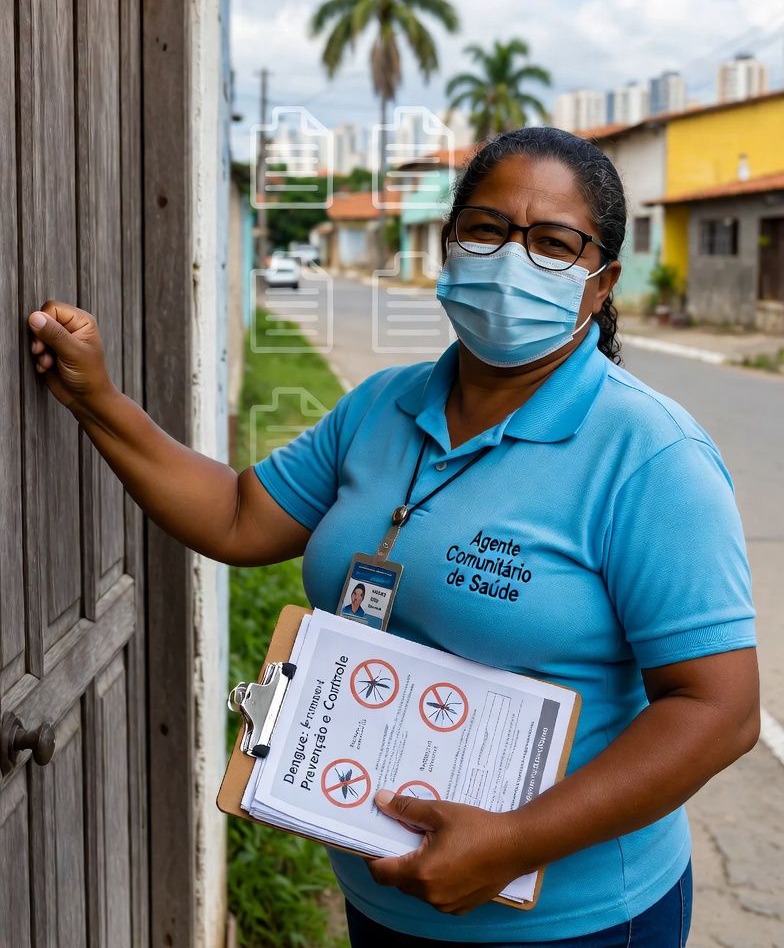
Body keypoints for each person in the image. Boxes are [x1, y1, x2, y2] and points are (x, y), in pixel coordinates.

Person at [26, 127, 759, 947]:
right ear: (449, 246)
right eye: (486, 229)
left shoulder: (650, 454)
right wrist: (98, 399)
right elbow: (237, 515)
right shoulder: (382, 406)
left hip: (572, 920)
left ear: (601, 283)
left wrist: (515, 844)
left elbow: (718, 711)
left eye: (552, 243)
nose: (511, 258)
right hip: (383, 892)